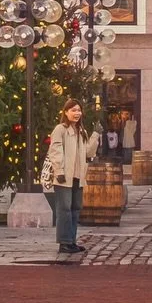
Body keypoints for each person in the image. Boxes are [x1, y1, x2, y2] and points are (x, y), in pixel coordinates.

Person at [41, 97, 100, 258]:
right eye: (73, 110)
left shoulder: (82, 131)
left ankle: (71, 241)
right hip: (64, 177)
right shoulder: (60, 129)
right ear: (66, 112)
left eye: (79, 110)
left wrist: (95, 135)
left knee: (75, 209)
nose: (77, 113)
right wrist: (59, 170)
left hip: (78, 177)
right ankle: (64, 242)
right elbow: (55, 150)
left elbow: (88, 152)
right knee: (64, 209)